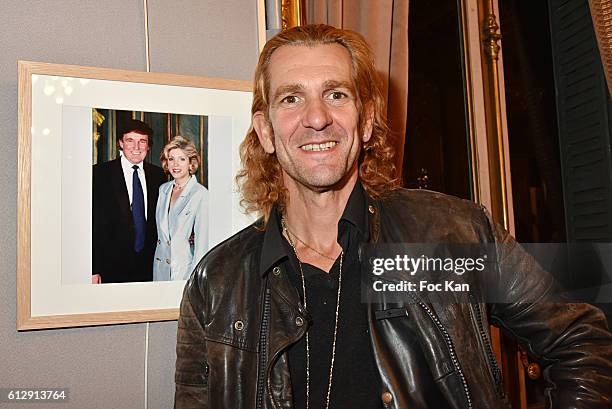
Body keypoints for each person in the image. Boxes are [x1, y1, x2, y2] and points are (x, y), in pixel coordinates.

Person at [174, 24, 612, 408]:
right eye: (291, 98)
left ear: (365, 121)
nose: (317, 118)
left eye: (336, 94)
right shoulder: (217, 283)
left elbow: (581, 341)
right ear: (266, 131)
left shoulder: (444, 236)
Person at [92, 119, 166, 283]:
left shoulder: (158, 175)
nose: (136, 147)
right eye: (130, 141)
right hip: (110, 268)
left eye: (142, 141)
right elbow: (91, 224)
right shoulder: (99, 174)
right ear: (120, 143)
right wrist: (93, 268)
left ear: (148, 146)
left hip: (150, 267)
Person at [153, 136, 209, 281]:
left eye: (182, 159)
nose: (175, 164)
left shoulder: (200, 194)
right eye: (171, 159)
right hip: (160, 269)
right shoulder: (163, 189)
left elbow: (202, 245)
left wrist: (194, 280)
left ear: (191, 163)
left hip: (184, 271)